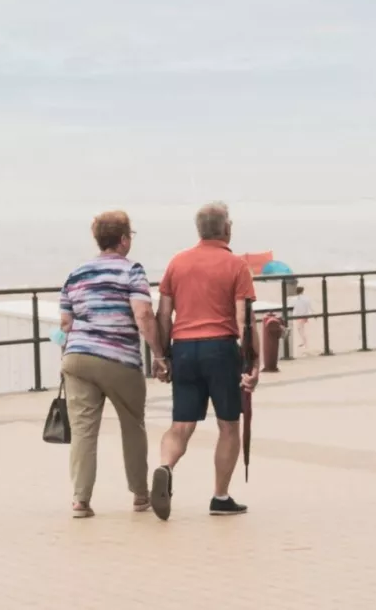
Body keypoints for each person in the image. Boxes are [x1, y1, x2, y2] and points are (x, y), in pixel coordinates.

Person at [151, 201, 260, 520]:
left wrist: (163, 355)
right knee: (228, 425)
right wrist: (252, 365)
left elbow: (163, 313)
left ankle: (165, 466)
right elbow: (245, 319)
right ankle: (220, 497)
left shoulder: (177, 262)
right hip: (220, 349)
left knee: (181, 425)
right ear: (227, 228)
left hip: (184, 349)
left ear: (199, 229)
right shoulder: (237, 266)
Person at [57, 211, 164, 518]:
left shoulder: (76, 273)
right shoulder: (131, 271)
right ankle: (140, 495)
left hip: (77, 357)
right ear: (124, 239)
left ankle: (80, 500)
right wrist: (158, 354)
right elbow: (143, 315)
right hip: (119, 359)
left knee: (83, 431)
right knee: (132, 424)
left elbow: (65, 321)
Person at [291, 285, 314, 352]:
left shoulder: (294, 299)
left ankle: (305, 343)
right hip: (305, 315)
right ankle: (304, 342)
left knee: (300, 329)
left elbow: (292, 307)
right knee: (301, 329)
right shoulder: (306, 298)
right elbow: (310, 307)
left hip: (298, 316)